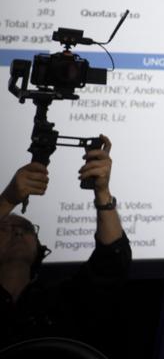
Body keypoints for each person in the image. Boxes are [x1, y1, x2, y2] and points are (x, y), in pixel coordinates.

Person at [0, 136, 131, 350]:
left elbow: (112, 264)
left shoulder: (61, 302)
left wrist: (102, 193)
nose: (17, 234)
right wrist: (7, 200)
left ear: (38, 248)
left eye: (26, 229)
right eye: (4, 227)